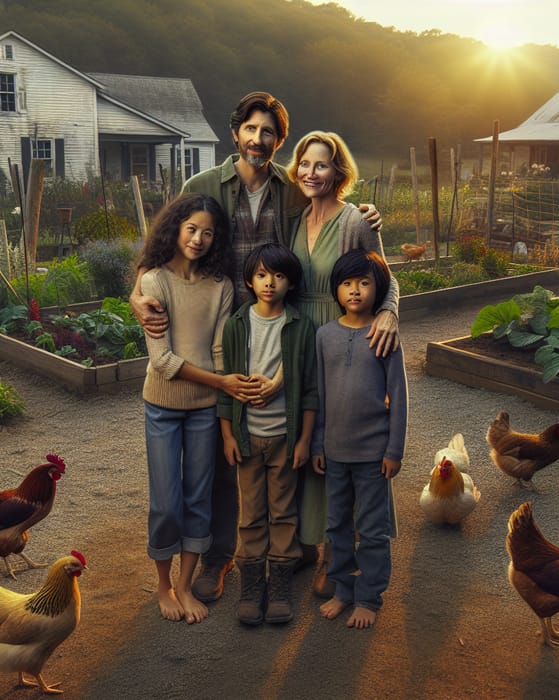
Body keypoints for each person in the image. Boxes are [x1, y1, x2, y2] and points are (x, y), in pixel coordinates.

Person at [130, 92, 392, 604]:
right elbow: (159, 247)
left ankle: (294, 545)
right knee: (232, 449)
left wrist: (365, 214)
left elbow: (329, 207)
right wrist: (137, 293)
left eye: (268, 133)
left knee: (292, 429)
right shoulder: (201, 186)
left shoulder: (290, 190)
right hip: (222, 331)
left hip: (281, 326)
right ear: (236, 133)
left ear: (279, 141)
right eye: (251, 129)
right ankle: (222, 556)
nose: (258, 140)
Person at [286, 131, 400, 596]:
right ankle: (310, 541)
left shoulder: (356, 220)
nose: (313, 173)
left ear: (339, 173)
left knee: (344, 438)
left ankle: (339, 553)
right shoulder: (295, 221)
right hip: (301, 336)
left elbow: (385, 279)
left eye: (323, 165)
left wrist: (389, 312)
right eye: (306, 165)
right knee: (310, 436)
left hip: (342, 333)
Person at [139, 192, 237, 624]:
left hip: (204, 411)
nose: (198, 239)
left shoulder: (222, 287)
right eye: (191, 229)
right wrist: (221, 382)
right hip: (161, 406)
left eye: (208, 233)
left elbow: (218, 348)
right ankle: (163, 587)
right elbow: (162, 361)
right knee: (166, 502)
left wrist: (220, 395)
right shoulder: (154, 282)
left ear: (217, 240)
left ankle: (184, 585)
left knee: (199, 498)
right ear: (176, 228)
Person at [218, 243, 318, 626]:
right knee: (251, 514)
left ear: (290, 283)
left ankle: (278, 585)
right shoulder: (237, 325)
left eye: (278, 276)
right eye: (261, 275)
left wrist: (305, 440)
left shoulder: (300, 327)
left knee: (284, 513)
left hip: (284, 439)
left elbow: (310, 389)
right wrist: (228, 434)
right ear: (249, 280)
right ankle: (250, 584)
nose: (269, 283)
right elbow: (226, 389)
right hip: (246, 439)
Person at [311, 248, 408, 629]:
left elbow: (398, 397)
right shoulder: (325, 336)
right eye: (347, 283)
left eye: (364, 283)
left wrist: (394, 450)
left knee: (371, 529)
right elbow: (319, 394)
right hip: (334, 454)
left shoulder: (385, 335)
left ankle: (368, 597)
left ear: (377, 288)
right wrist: (318, 444)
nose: (355, 291)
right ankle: (342, 591)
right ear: (337, 289)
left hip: (373, 456)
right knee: (336, 526)